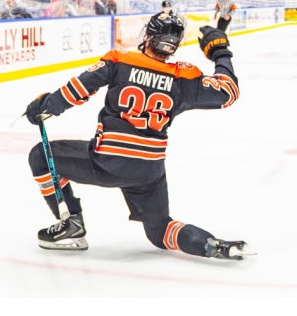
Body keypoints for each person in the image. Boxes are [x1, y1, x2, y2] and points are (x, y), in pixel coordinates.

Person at [23, 14, 252, 261]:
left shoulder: (120, 60)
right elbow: (228, 92)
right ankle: (211, 244)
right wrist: (220, 52)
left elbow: (75, 91)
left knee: (40, 156)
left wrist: (44, 106)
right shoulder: (183, 77)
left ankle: (71, 224)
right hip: (148, 172)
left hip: (106, 162)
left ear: (149, 37)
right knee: (160, 230)